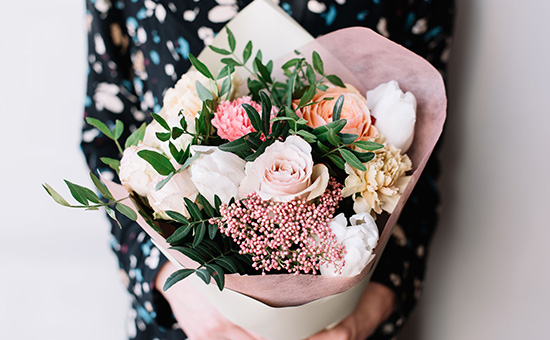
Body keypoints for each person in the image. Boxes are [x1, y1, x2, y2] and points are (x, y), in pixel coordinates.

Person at [81, 0, 455, 339]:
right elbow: (107, 126)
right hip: (187, 328)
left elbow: (422, 150)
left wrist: (364, 315)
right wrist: (168, 284)